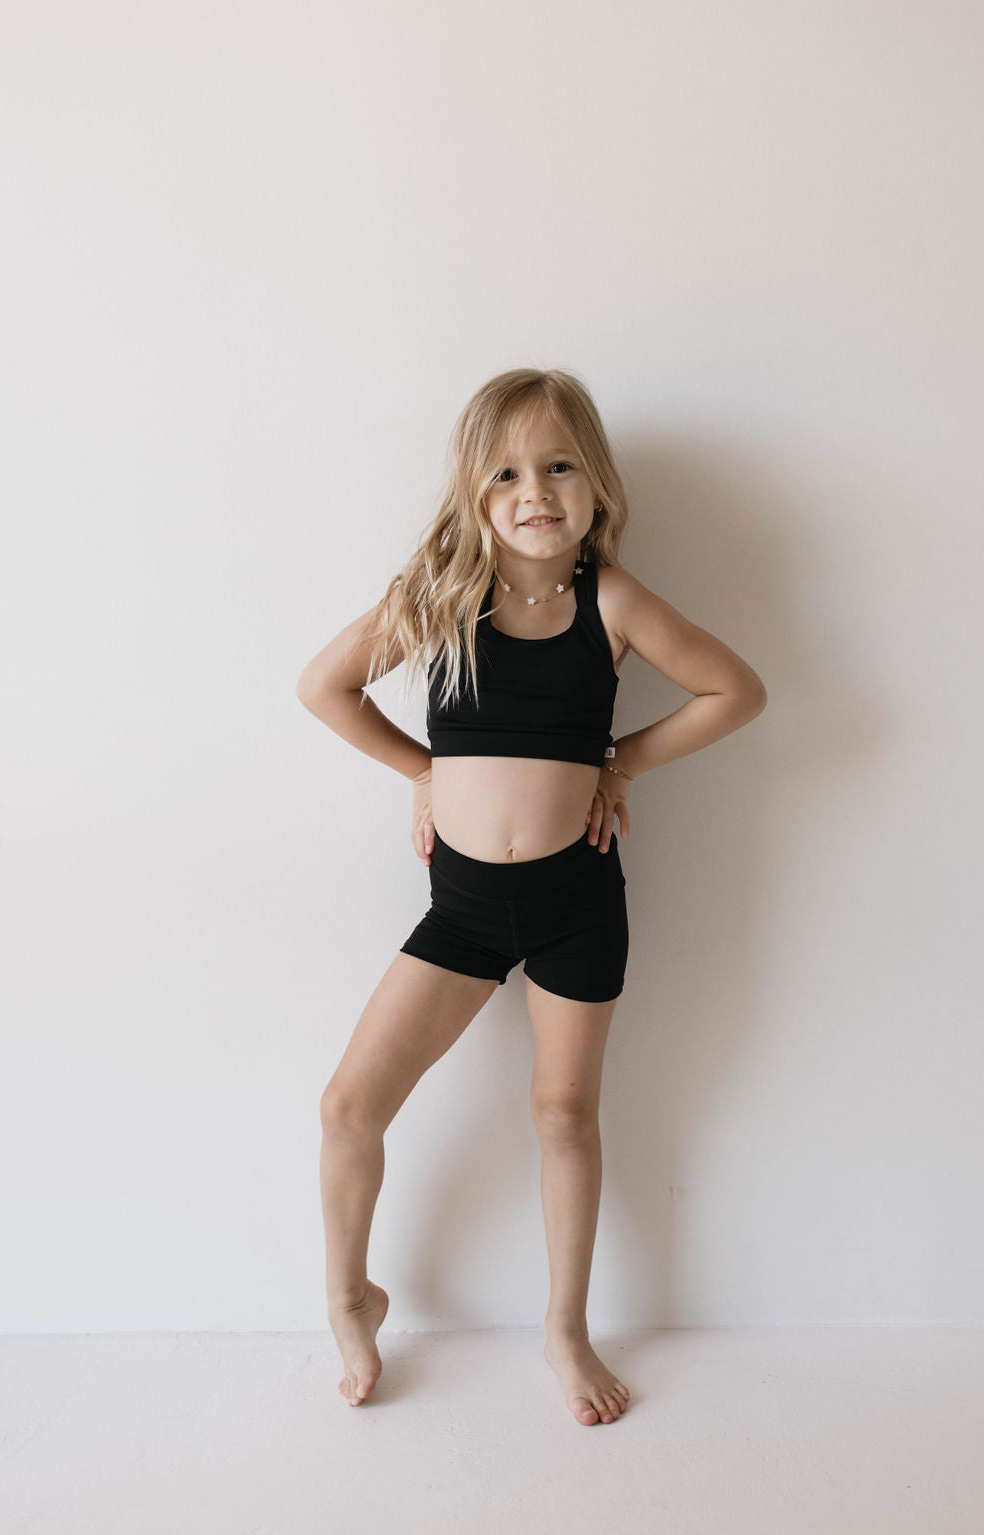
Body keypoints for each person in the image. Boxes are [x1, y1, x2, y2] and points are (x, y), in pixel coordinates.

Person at [295, 367, 767, 1426]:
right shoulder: (441, 595)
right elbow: (323, 684)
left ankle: (564, 1327)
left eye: (558, 465)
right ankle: (348, 1291)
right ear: (473, 492)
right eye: (505, 472)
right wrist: (421, 769)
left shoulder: (613, 600)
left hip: (575, 903)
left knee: (564, 1113)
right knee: (346, 1105)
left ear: (595, 482)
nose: (533, 490)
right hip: (459, 912)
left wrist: (624, 763)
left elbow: (735, 688)